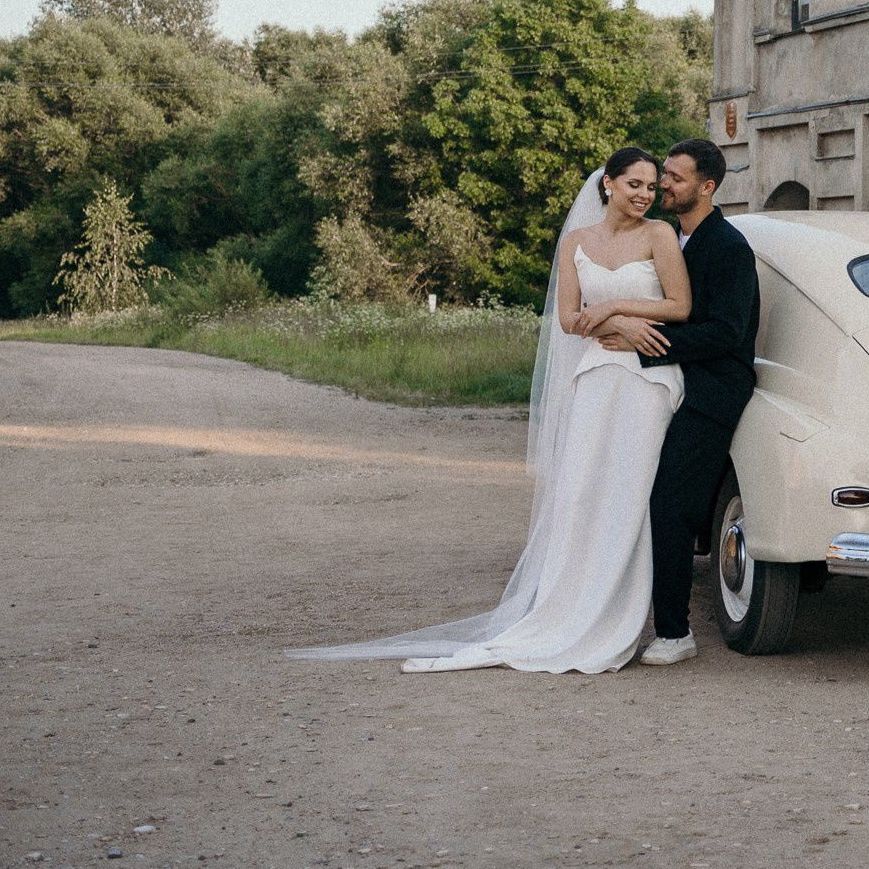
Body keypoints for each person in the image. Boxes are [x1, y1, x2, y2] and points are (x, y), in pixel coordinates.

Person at [288, 146, 691, 673]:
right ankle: (568, 613)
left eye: (650, 185)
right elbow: (569, 319)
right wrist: (615, 321)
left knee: (629, 495)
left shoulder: (659, 235)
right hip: (595, 377)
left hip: (645, 381)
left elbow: (679, 307)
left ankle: (623, 620)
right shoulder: (576, 242)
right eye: (633, 184)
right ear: (608, 185)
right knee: (583, 491)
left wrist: (614, 306)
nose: (644, 194)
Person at [591, 138, 758, 665]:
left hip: (713, 391)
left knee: (670, 505)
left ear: (707, 187)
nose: (664, 184)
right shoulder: (671, 238)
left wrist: (648, 343)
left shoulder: (728, 247)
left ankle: (674, 631)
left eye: (676, 178)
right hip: (669, 384)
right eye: (664, 175)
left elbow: (728, 334)